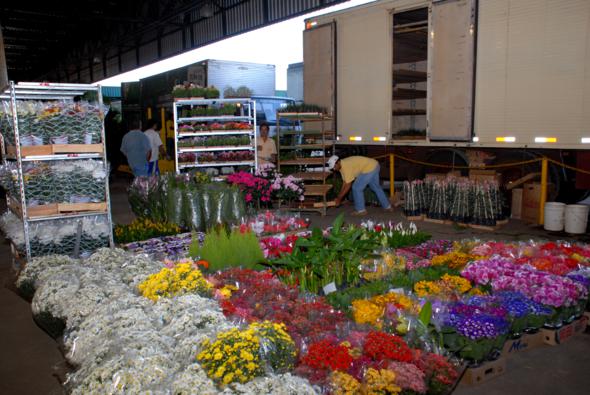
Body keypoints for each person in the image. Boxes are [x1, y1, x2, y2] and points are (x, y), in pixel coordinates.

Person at [327, 155, 392, 215]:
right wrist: (339, 197)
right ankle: (387, 207)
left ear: (338, 162)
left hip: (369, 168)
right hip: (375, 165)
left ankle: (361, 210)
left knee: (356, 188)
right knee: (376, 187)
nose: (334, 169)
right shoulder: (342, 166)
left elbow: (348, 185)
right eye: (333, 168)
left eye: (334, 167)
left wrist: (339, 198)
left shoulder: (346, 166)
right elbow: (345, 182)